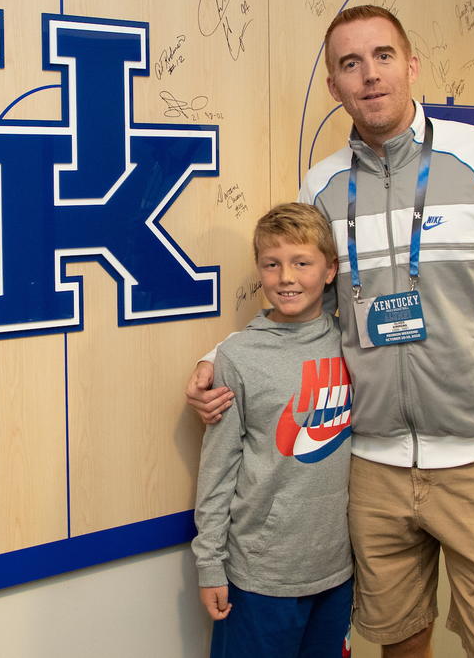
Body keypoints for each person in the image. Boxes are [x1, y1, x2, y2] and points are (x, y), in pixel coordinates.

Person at [186, 5, 474, 658]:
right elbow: (303, 295)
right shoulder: (323, 186)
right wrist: (218, 358)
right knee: (399, 642)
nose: (369, 76)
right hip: (373, 463)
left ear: (410, 66)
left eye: (382, 57)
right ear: (334, 85)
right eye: (350, 64)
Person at [193, 202, 353, 658]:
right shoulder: (239, 358)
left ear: (329, 271)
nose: (286, 277)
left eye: (302, 263)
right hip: (261, 574)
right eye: (272, 264)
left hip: (336, 571)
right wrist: (210, 566)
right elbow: (218, 470)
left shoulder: (352, 344)